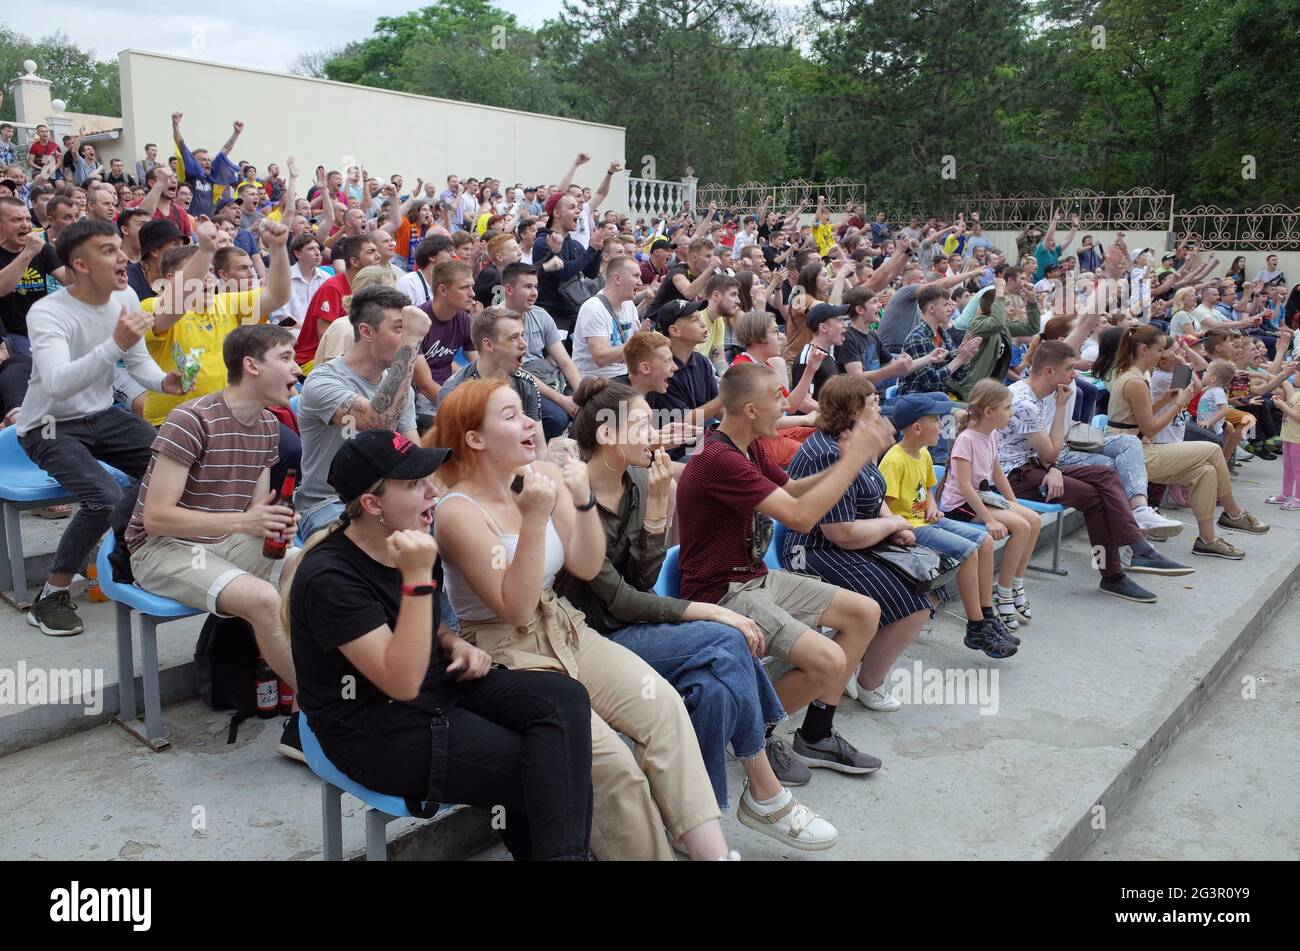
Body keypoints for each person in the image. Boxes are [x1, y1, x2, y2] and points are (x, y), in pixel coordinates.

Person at [431, 379, 738, 861]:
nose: (532, 422)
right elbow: (512, 605)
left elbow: (587, 564)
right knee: (612, 765)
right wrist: (534, 519)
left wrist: (582, 499)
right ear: (474, 439)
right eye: (510, 415)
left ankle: (714, 855)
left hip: (565, 624)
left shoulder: (541, 476)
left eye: (525, 412)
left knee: (663, 707)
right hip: (507, 649)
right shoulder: (457, 512)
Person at [285, 428, 595, 859]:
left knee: (563, 699)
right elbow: (401, 682)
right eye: (413, 485)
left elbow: (417, 627)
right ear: (373, 504)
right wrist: (415, 579)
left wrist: (452, 642)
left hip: (436, 684)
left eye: (428, 478)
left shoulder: (411, 537)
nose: (432, 491)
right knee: (532, 762)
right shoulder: (330, 577)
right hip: (369, 724)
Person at [555, 379, 838, 849]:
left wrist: (657, 513)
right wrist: (707, 611)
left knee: (712, 690)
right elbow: (618, 599)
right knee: (727, 638)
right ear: (607, 435)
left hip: (632, 628)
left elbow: (643, 581)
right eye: (644, 424)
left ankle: (688, 824)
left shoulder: (643, 481)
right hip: (591, 638)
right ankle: (765, 790)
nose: (658, 434)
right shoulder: (572, 495)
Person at [675, 361, 887, 780]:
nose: (786, 403)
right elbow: (800, 517)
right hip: (722, 591)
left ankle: (816, 735)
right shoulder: (718, 457)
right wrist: (855, 460)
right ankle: (753, 734)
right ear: (750, 408)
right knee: (827, 662)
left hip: (754, 576)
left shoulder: (747, 445)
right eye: (777, 396)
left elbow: (790, 489)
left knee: (864, 613)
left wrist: (846, 460)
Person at [127, 324, 300, 752]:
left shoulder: (266, 428)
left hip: (218, 542)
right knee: (262, 599)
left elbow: (252, 513)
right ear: (251, 365)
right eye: (285, 357)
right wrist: (245, 524)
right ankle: (327, 707)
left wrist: (270, 524)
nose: (297, 369)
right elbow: (156, 518)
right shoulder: (191, 418)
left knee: (308, 565)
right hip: (159, 550)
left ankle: (300, 715)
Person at [17, 219, 190, 635]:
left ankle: (134, 552)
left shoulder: (125, 296)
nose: (122, 257)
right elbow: (58, 382)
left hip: (102, 415)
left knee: (175, 461)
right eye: (108, 250)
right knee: (103, 498)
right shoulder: (47, 312)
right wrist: (115, 343)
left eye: (120, 247)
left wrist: (162, 381)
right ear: (80, 264)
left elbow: (136, 363)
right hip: (49, 424)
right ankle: (52, 595)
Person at [781, 375, 971, 705]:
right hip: (814, 549)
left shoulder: (856, 442)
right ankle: (868, 683)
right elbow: (841, 533)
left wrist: (891, 524)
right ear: (855, 410)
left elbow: (875, 495)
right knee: (914, 607)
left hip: (854, 539)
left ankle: (853, 666)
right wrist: (893, 524)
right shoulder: (830, 452)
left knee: (932, 586)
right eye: (873, 404)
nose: (881, 409)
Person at [997, 340, 1193, 601]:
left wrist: (1053, 468)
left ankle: (1132, 552)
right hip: (1011, 478)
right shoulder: (1026, 402)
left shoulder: (1040, 394)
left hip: (1035, 467)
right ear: (1048, 371)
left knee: (1105, 475)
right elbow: (1051, 451)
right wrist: (1061, 409)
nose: (1074, 375)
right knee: (1092, 496)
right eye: (1069, 369)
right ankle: (1119, 569)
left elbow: (1048, 454)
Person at [1105, 325, 1268, 559]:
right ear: (1143, 349)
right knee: (1213, 448)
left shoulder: (1136, 375)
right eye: (1161, 350)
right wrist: (1178, 403)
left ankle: (1207, 540)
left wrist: (1164, 400)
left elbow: (1141, 417)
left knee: (1205, 471)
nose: (1164, 355)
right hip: (1134, 454)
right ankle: (1234, 513)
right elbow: (1149, 427)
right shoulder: (1136, 380)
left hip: (1139, 447)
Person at [879, 394, 1016, 656]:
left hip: (927, 520)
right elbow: (884, 507)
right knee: (967, 552)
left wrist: (931, 506)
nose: (942, 427)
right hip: (910, 528)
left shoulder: (924, 454)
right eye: (936, 421)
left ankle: (987, 615)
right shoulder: (894, 460)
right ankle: (976, 626)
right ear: (917, 428)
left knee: (986, 541)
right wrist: (908, 525)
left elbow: (928, 490)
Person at [296, 286, 427, 539]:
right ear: (366, 331)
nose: (410, 339)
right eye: (400, 328)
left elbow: (413, 453)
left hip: (384, 499)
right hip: (328, 503)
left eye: (409, 330)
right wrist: (411, 342)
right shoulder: (322, 381)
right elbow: (378, 422)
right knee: (368, 547)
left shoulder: (399, 386)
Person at [141, 220, 292, 424]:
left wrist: (279, 248)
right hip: (174, 421)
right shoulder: (151, 306)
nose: (208, 278)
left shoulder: (227, 301)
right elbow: (178, 302)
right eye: (198, 271)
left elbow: (277, 295)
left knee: (291, 452)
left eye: (210, 270)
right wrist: (204, 251)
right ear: (170, 279)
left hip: (228, 414)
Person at [938, 379, 1043, 630]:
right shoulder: (967, 439)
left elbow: (997, 474)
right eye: (1007, 408)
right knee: (1021, 527)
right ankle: (1003, 592)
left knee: (1034, 520)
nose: (1012, 413)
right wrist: (990, 519)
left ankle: (1016, 583)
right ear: (988, 412)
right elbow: (964, 486)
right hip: (960, 504)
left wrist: (1014, 505)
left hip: (981, 497)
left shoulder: (993, 434)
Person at [437, 307, 546, 460]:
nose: (524, 344)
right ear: (488, 345)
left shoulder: (525, 383)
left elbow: (540, 450)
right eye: (513, 338)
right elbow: (454, 461)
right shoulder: (454, 393)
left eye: (522, 335)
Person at [501, 262, 581, 439]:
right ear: (508, 289)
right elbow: (516, 372)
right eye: (528, 286)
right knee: (557, 418)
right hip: (515, 383)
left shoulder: (541, 315)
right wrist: (563, 401)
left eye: (536, 286)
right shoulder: (495, 321)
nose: (534, 293)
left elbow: (565, 361)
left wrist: (583, 395)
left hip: (546, 377)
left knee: (592, 405)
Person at [294, 234, 380, 369]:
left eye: (376, 251)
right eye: (371, 252)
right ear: (354, 262)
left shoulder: (369, 287)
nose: (378, 256)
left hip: (350, 354)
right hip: (313, 359)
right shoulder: (332, 288)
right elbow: (327, 337)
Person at [0, 196, 74, 350]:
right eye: (16, 220)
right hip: (10, 334)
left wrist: (68, 256)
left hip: (42, 328)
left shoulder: (42, 249)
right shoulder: (32, 249)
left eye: (28, 219)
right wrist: (28, 253)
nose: (26, 225)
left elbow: (68, 281)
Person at [572, 255, 639, 380]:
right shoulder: (593, 308)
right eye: (635, 276)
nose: (640, 282)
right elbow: (601, 358)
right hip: (597, 386)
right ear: (618, 278)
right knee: (628, 400)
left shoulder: (629, 305)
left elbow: (635, 348)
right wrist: (640, 343)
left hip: (623, 379)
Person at [1269, 381, 1300, 509]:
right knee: (1288, 468)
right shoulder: (1297, 394)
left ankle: (1298, 499)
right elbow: (1292, 408)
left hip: (1297, 439)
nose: (1295, 376)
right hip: (1289, 437)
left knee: (1298, 470)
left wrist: (1283, 405)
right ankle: (1286, 494)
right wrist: (1283, 404)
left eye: (1297, 373)